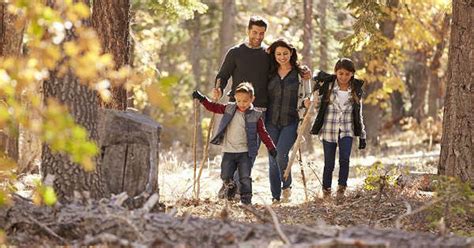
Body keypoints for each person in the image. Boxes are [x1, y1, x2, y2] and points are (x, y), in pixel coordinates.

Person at [192, 82, 277, 205]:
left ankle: (247, 201)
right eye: (239, 101)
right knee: (225, 174)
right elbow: (213, 107)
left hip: (245, 152)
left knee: (245, 178)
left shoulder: (255, 115)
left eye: (245, 101)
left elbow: (263, 133)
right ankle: (230, 186)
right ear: (235, 99)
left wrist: (271, 147)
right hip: (229, 151)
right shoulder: (229, 108)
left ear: (252, 99)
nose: (242, 104)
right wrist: (202, 99)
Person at [310, 58, 367, 202]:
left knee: (344, 160)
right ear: (336, 72)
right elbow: (317, 104)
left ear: (352, 74)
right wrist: (314, 98)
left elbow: (359, 113)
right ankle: (326, 190)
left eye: (347, 74)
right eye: (340, 73)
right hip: (329, 129)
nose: (343, 77)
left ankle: (341, 188)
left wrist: (362, 135)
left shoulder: (355, 90)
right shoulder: (328, 86)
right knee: (329, 163)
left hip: (346, 129)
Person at [266, 38, 311, 203]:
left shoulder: (301, 73)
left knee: (281, 155)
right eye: (278, 54)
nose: (282, 56)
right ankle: (275, 196)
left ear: (291, 53)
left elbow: (308, 94)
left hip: (291, 121)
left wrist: (308, 101)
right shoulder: (269, 72)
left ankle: (287, 185)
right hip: (270, 122)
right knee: (272, 158)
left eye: (285, 53)